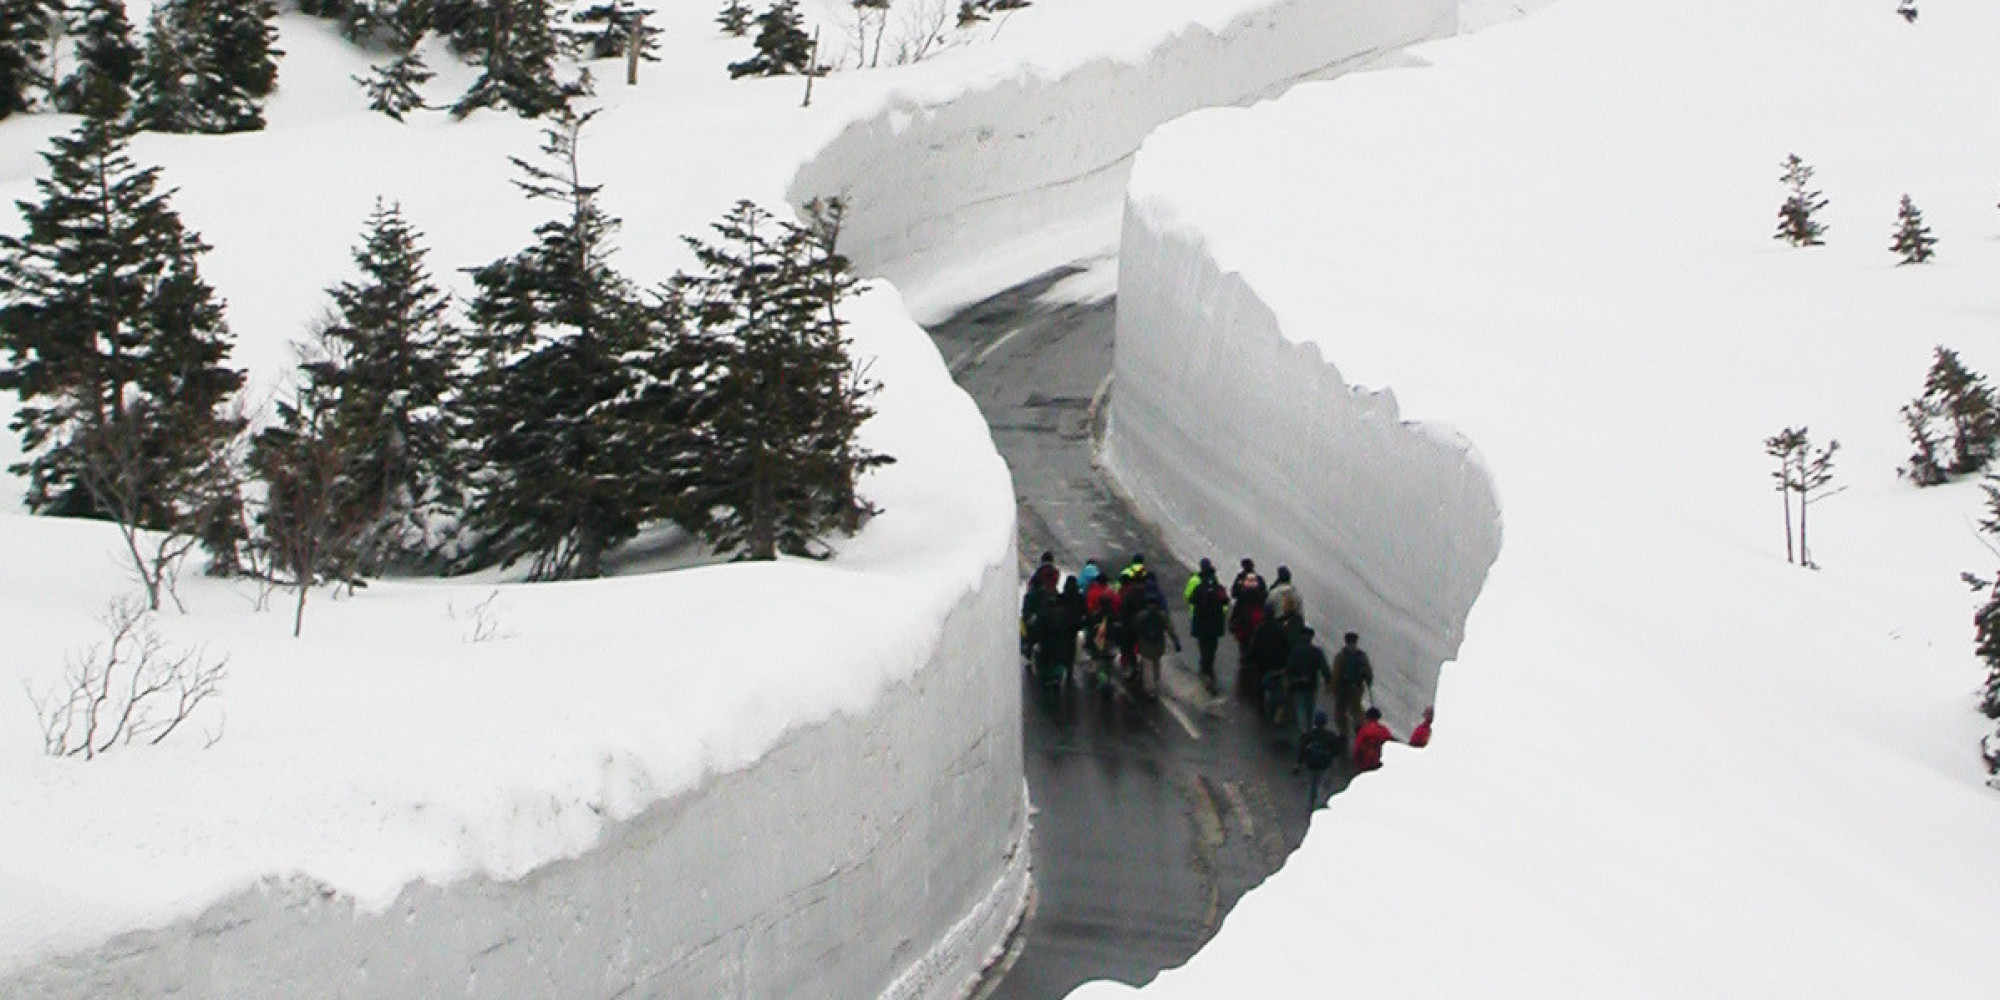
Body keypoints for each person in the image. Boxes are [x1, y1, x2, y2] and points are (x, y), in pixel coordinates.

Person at [1185, 561, 1230, 690]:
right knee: (1212, 644)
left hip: (1201, 621)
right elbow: (1225, 600)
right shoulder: (1218, 587)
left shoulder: (1199, 587)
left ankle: (1205, 664)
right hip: (1215, 622)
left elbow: (1191, 599)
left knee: (1203, 643)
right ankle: (1209, 662)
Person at [1035, 577, 1085, 694]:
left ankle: (1053, 674)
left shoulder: (1061, 598)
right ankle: (1069, 667)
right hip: (1072, 626)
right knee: (1071, 646)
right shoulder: (1080, 597)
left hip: (1060, 630)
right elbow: (1084, 611)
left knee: (1054, 652)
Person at [1284, 623, 1332, 735]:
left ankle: (1303, 731)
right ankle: (1309, 728)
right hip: (1311, 684)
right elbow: (1324, 667)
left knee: (1300, 707)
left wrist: (1289, 678)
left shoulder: (1295, 650)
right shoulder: (1316, 651)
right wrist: (1328, 680)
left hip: (1297, 683)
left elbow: (1290, 666)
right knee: (1310, 708)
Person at [1131, 594, 1181, 698]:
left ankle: (1149, 689)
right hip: (1158, 644)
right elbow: (1170, 629)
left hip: (1144, 644)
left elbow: (1135, 628)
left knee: (1147, 666)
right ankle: (1155, 682)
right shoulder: (1161, 615)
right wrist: (1176, 642)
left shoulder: (1141, 615)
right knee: (1156, 664)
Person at [1228, 558, 1268, 686]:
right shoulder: (1259, 580)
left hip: (1243, 618)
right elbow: (1265, 596)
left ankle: (1245, 663)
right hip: (1257, 617)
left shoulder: (1241, 579)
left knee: (1243, 641)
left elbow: (1234, 594)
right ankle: (1254, 663)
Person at [1246, 611, 1292, 720]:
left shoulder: (1260, 628)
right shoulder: (1279, 628)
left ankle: (1261, 701)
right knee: (1276, 683)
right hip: (1277, 662)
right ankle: (1274, 704)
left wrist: (1249, 658)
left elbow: (1255, 645)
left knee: (1262, 680)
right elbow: (1286, 645)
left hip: (1263, 661)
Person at [1294, 711, 1342, 810]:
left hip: (1311, 764)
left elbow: (1302, 750)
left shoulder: (1308, 735)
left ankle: (1311, 803)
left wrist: (1299, 764)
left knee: (1313, 783)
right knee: (1324, 783)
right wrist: (1330, 757)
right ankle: (1323, 803)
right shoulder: (1330, 736)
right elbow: (1336, 750)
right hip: (1325, 764)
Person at [1331, 631, 1374, 740]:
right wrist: (1368, 682)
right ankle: (1359, 728)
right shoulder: (1362, 656)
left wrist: (1333, 687)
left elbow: (1336, 673)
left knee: (1340, 711)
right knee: (1356, 709)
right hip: (1357, 688)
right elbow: (1368, 672)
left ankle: (1343, 733)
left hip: (1342, 688)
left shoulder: (1341, 656)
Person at [1353, 707, 1395, 772]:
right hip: (1379, 762)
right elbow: (1391, 743)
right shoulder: (1384, 730)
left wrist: (1358, 763)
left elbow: (1357, 748)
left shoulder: (1363, 730)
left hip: (1365, 762)